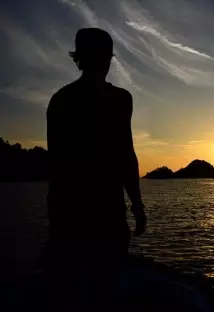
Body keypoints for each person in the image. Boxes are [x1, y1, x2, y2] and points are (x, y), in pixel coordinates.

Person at [45, 28, 147, 310]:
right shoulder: (119, 99)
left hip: (65, 210)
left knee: (67, 290)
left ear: (78, 58)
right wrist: (137, 205)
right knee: (102, 289)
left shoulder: (59, 99)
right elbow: (126, 155)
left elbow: (55, 161)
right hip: (105, 212)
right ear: (108, 59)